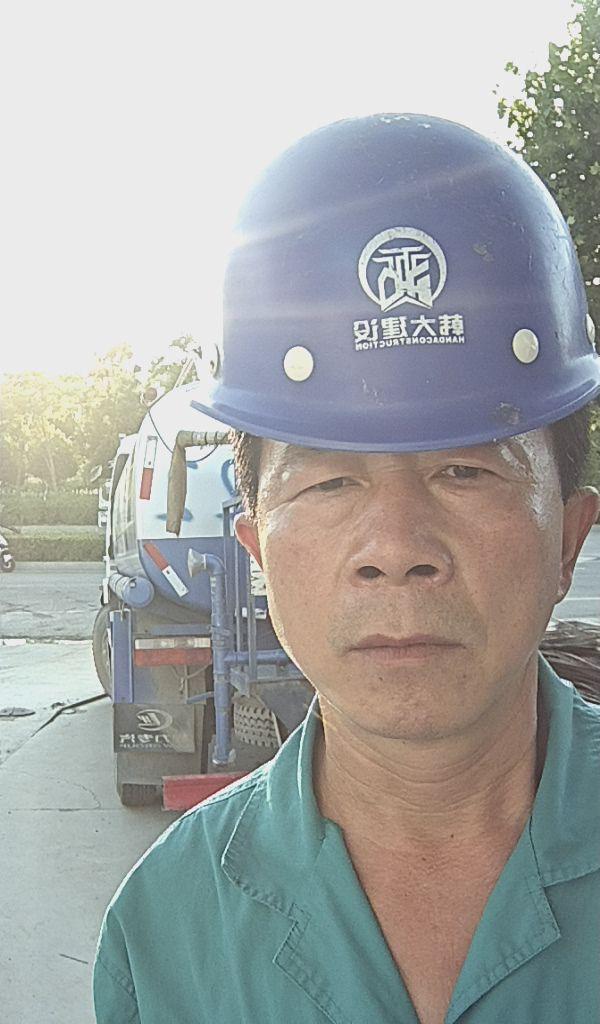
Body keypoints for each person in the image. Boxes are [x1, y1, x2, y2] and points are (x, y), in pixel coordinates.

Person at [93, 114, 600, 1024]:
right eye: (329, 481)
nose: (396, 548)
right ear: (258, 550)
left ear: (568, 537)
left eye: (465, 471)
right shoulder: (167, 936)